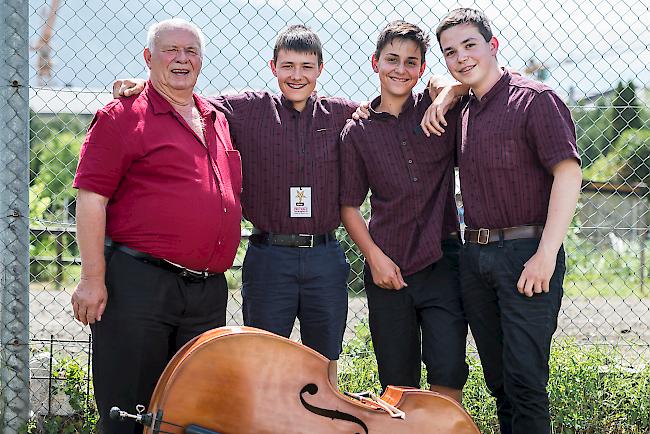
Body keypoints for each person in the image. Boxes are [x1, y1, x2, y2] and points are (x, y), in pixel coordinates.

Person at [114, 25, 358, 385]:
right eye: (288, 66)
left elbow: (382, 111)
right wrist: (143, 83)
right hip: (270, 255)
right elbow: (184, 99)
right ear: (273, 67)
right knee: (261, 360)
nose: (297, 75)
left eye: (307, 66)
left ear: (320, 69)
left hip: (324, 255)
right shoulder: (247, 109)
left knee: (323, 363)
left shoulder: (340, 114)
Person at [71, 18, 242, 434]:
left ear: (202, 60)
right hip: (140, 286)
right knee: (128, 410)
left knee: (192, 413)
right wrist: (92, 278)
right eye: (171, 50)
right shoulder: (121, 116)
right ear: (149, 57)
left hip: (206, 292)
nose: (181, 59)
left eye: (191, 52)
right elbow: (91, 199)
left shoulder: (216, 117)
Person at [428, 8, 582, 433]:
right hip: (474, 258)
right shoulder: (463, 110)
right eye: (450, 52)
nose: (461, 57)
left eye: (470, 45)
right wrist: (447, 94)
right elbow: (440, 82)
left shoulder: (535, 100)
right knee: (498, 382)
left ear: (493, 46)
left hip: (525, 253)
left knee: (525, 382)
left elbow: (569, 173)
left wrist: (546, 253)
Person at [339, 21, 468, 404]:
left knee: (448, 375)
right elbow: (349, 205)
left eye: (411, 62)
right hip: (388, 268)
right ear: (375, 62)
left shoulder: (437, 110)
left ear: (423, 69)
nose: (400, 69)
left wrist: (445, 97)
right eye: (391, 59)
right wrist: (375, 259)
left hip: (442, 260)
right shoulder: (357, 132)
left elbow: (465, 83)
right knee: (398, 385)